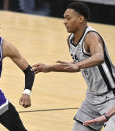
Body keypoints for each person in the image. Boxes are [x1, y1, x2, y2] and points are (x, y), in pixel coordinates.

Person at [33, 2, 115, 131]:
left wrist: (78, 65)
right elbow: (76, 65)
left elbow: (99, 57)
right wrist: (49, 68)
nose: (64, 21)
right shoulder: (70, 40)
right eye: (64, 18)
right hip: (92, 98)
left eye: (68, 18)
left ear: (81, 19)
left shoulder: (91, 36)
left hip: (111, 96)